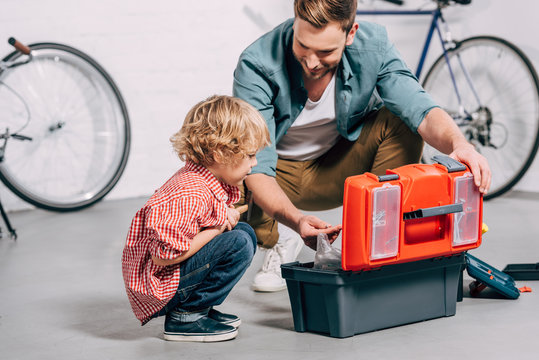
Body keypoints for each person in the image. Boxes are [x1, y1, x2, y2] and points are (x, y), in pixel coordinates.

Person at [232, 0, 491, 292]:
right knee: (233, 152)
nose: (312, 61)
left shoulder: (373, 46)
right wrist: (297, 220)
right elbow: (257, 163)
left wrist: (461, 143)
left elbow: (419, 107)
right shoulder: (257, 62)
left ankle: (377, 242)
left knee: (400, 120)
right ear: (294, 23)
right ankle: (278, 239)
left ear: (351, 33)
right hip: (277, 175)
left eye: (326, 51)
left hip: (337, 168)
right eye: (303, 45)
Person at [121, 95, 270, 342]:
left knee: (244, 233)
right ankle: (185, 316)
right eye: (250, 155)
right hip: (160, 286)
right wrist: (219, 225)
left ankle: (199, 307)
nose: (254, 163)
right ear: (221, 153)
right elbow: (163, 256)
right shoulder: (191, 192)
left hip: (171, 276)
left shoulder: (204, 180)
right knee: (238, 243)